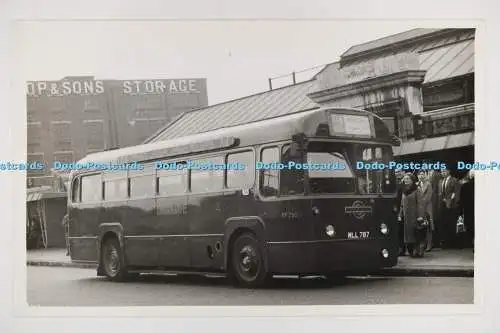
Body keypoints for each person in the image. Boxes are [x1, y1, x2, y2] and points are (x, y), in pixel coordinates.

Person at [399, 173, 424, 257]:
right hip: (406, 216)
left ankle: (417, 250)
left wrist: (420, 215)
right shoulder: (402, 190)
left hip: (414, 215)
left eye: (407, 179)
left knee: (415, 233)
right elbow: (401, 204)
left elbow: (420, 203)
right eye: (405, 179)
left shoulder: (417, 189)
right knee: (407, 234)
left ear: (412, 180)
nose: (405, 180)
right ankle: (410, 250)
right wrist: (400, 214)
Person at [438, 168, 460, 248]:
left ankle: (454, 243)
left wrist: (450, 201)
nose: (442, 173)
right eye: (441, 171)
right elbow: (439, 193)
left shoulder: (454, 180)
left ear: (448, 171)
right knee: (444, 224)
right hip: (443, 205)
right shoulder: (440, 181)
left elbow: (456, 193)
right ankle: (446, 243)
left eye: (444, 171)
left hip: (452, 205)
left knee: (452, 224)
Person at [417, 170, 434, 252]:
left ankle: (429, 244)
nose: (421, 176)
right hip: (419, 208)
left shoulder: (428, 184)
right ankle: (422, 244)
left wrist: (421, 202)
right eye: (419, 175)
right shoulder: (417, 185)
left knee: (428, 225)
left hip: (427, 207)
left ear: (425, 175)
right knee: (421, 225)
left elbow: (429, 196)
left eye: (423, 174)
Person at [459, 170, 475, 248]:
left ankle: (473, 242)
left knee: (470, 226)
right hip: (478, 211)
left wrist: (460, 211)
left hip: (468, 211)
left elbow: (462, 200)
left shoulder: (465, 186)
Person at [393, 168, 405, 255]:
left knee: (403, 230)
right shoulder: (393, 184)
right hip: (396, 209)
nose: (398, 173)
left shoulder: (405, 183)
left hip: (403, 208)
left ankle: (403, 249)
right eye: (396, 172)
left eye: (399, 172)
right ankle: (399, 248)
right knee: (398, 230)